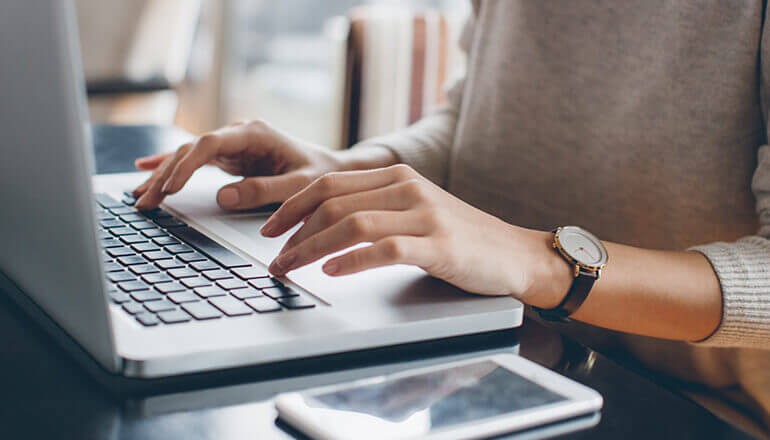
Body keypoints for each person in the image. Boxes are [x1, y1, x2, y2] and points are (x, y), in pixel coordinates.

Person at [133, 1, 770, 433]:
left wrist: (539, 261)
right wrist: (347, 171)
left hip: (690, 411)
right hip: (495, 354)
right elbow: (471, 121)